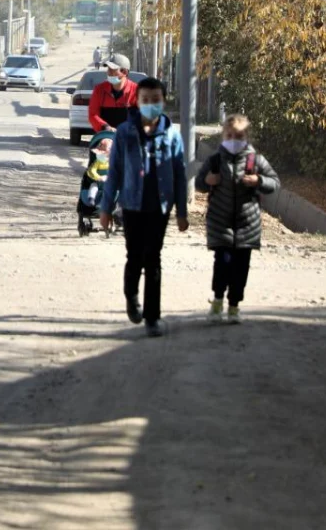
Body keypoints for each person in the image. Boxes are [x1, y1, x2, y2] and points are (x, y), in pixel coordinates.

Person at [100, 77, 189, 337]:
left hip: (160, 208)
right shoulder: (126, 133)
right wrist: (105, 209)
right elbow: (114, 172)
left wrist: (181, 212)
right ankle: (131, 297)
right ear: (137, 102)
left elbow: (180, 174)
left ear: (163, 102)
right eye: (145, 100)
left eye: (156, 100)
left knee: (154, 260)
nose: (150, 104)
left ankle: (152, 317)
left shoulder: (172, 135)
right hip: (132, 206)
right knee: (135, 256)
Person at [195, 114, 280, 324]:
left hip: (247, 225)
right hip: (220, 224)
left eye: (239, 136)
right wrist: (208, 180)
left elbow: (274, 182)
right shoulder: (214, 160)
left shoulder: (255, 160)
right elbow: (199, 184)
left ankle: (234, 305)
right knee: (222, 265)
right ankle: (217, 301)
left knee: (241, 269)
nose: (234, 139)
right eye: (230, 135)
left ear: (247, 137)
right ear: (223, 136)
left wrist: (258, 180)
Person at [87, 53, 137, 135]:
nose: (108, 72)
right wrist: (105, 127)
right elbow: (93, 114)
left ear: (124, 72)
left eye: (113, 69)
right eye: (108, 69)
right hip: (105, 136)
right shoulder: (99, 90)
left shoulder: (136, 91)